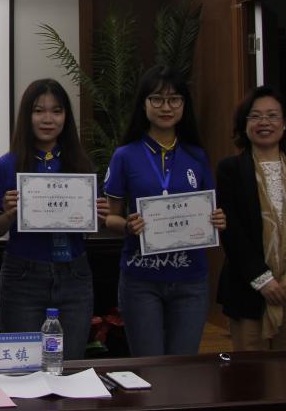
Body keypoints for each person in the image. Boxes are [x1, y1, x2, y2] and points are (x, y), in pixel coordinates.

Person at [102, 65, 225, 356]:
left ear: (184, 105)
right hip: (141, 280)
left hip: (190, 279)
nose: (166, 107)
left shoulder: (196, 155)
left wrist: (217, 219)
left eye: (174, 99)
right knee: (150, 365)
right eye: (157, 99)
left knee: (183, 365)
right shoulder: (125, 155)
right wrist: (127, 225)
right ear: (144, 104)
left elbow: (209, 209)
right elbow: (110, 218)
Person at [0, 79, 107, 360]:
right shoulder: (8, 164)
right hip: (23, 277)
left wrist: (99, 216)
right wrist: (9, 214)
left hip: (75, 276)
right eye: (39, 111)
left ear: (66, 117)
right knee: (23, 368)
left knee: (69, 366)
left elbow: (93, 227)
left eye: (56, 111)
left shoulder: (81, 165)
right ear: (27, 116)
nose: (48, 119)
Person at [216, 86, 286, 350]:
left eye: (272, 115)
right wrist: (263, 280)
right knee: (249, 369)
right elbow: (231, 230)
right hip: (248, 287)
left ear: (285, 123)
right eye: (255, 116)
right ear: (244, 125)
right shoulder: (230, 169)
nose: (264, 122)